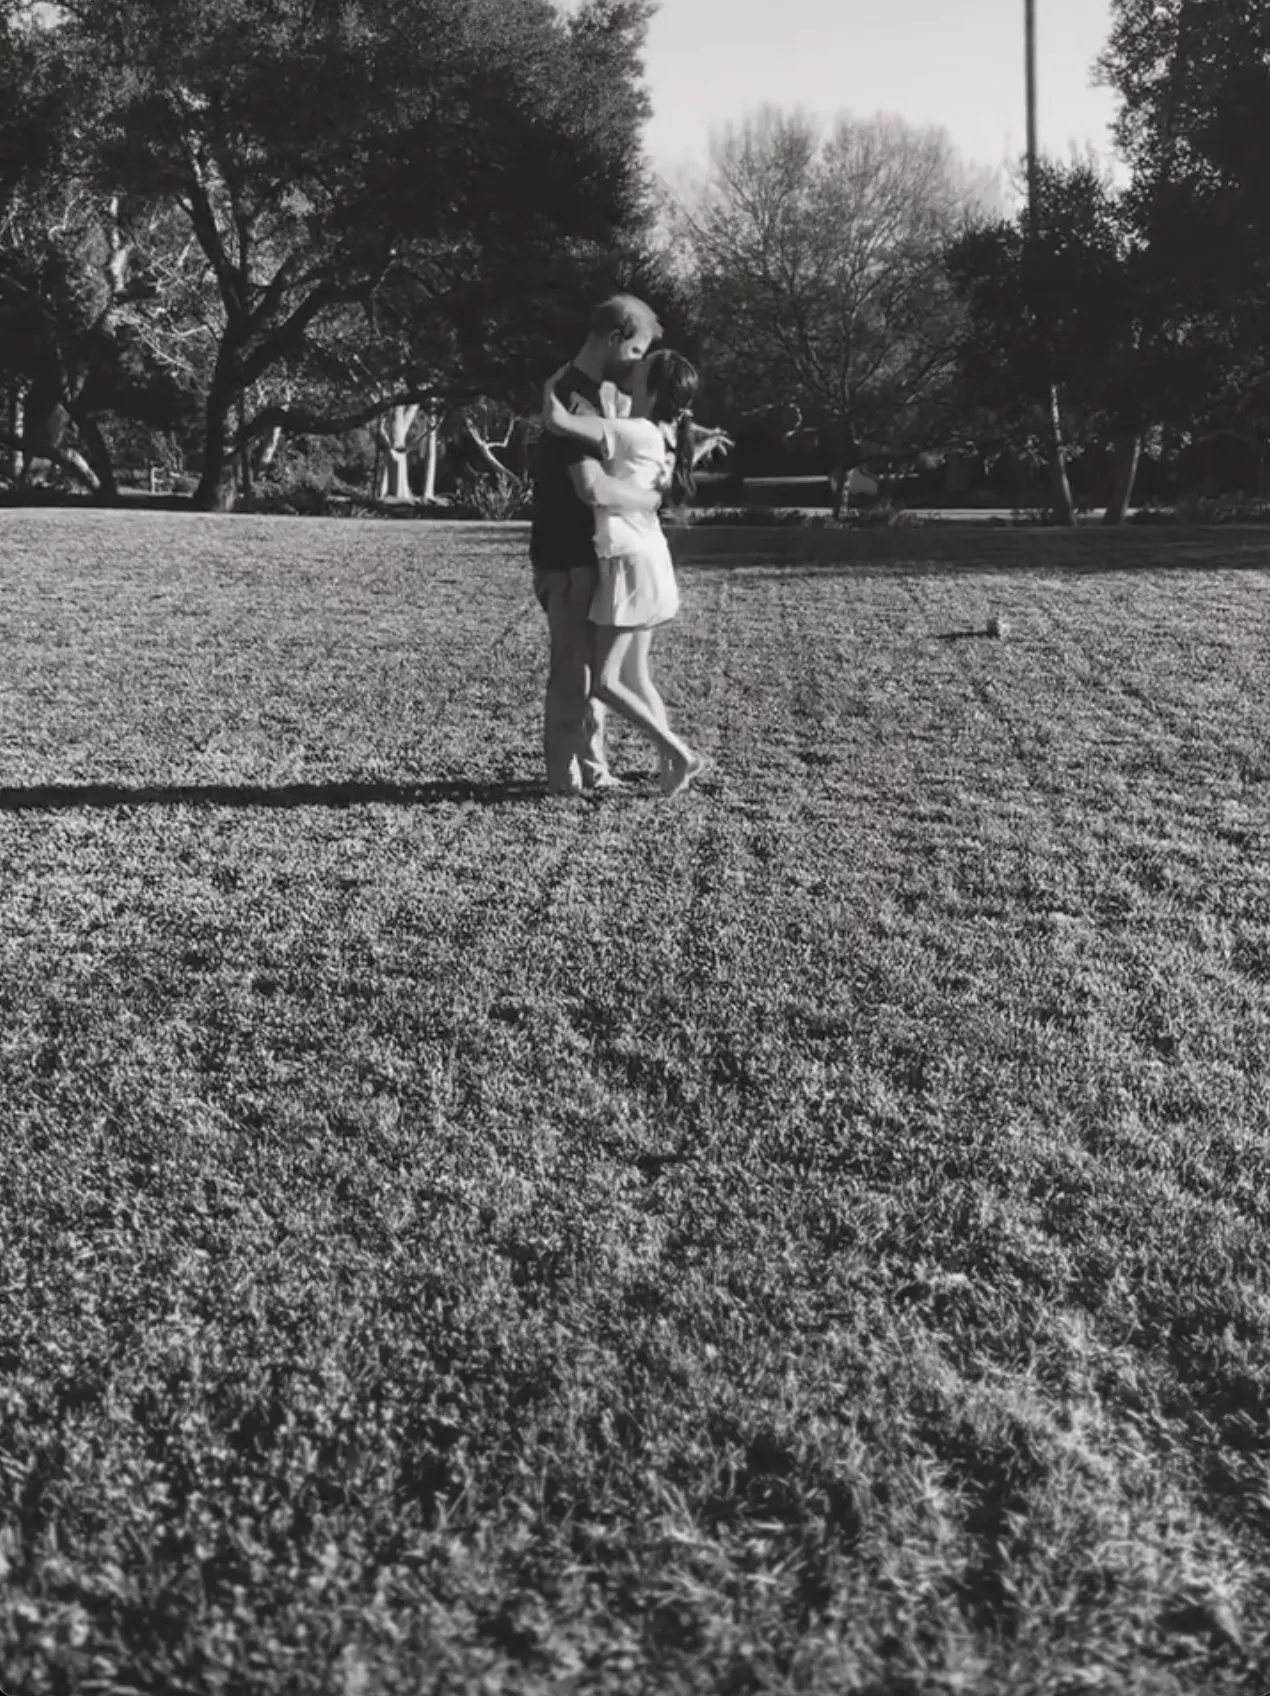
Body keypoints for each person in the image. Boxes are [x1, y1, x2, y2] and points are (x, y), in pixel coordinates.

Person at [541, 349, 706, 797]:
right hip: (651, 558)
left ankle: (677, 751)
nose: (632, 366)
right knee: (636, 676)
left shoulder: (632, 431)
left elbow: (558, 420)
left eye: (641, 365)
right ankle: (671, 771)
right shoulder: (666, 433)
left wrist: (551, 383)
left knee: (607, 681)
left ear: (652, 388)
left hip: (626, 563)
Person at [529, 294, 665, 796]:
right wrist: (651, 499)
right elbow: (593, 488)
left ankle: (595, 769)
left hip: (594, 556)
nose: (638, 363)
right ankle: (563, 778)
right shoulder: (572, 398)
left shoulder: (602, 395)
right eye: (635, 351)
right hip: (567, 558)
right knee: (572, 671)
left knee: (594, 672)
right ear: (613, 338)